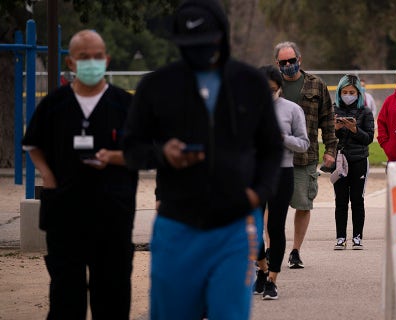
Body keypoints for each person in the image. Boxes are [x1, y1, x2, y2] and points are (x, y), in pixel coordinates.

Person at [122, 0, 283, 319]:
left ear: (222, 36)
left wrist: (257, 194)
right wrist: (162, 154)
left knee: (229, 313)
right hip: (176, 226)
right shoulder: (156, 85)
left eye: (205, 43)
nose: (198, 52)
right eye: (188, 45)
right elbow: (131, 148)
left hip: (234, 227)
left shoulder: (249, 84)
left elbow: (272, 149)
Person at [21, 29, 138, 319]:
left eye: (97, 57)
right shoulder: (55, 104)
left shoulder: (125, 104)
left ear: (107, 60)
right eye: (83, 57)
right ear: (71, 63)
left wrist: (114, 157)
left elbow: (145, 150)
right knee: (65, 299)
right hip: (64, 217)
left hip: (113, 216)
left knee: (112, 299)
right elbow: (32, 144)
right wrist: (47, 176)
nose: (91, 62)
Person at [273, 41, 337, 269]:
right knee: (271, 207)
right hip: (273, 159)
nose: (288, 65)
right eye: (283, 62)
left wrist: (331, 150)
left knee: (303, 204)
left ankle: (295, 250)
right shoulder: (272, 85)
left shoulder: (316, 85)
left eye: (292, 61)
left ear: (299, 60)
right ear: (277, 63)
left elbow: (328, 120)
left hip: (304, 157)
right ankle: (272, 250)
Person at [253, 65, 309, 300]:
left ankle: (272, 280)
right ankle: (262, 270)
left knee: (274, 227)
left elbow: (304, 143)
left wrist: (282, 138)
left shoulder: (292, 110)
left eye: (273, 90)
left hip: (282, 172)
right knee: (254, 228)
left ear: (279, 89)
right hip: (254, 173)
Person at [332, 74, 375, 250]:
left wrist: (355, 129)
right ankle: (340, 237)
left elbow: (369, 138)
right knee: (341, 201)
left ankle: (357, 237)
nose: (348, 95)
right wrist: (335, 129)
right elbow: (329, 137)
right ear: (339, 92)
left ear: (358, 93)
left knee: (357, 200)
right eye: (345, 92)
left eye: (352, 92)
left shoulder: (365, 111)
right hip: (340, 160)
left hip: (359, 161)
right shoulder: (333, 110)